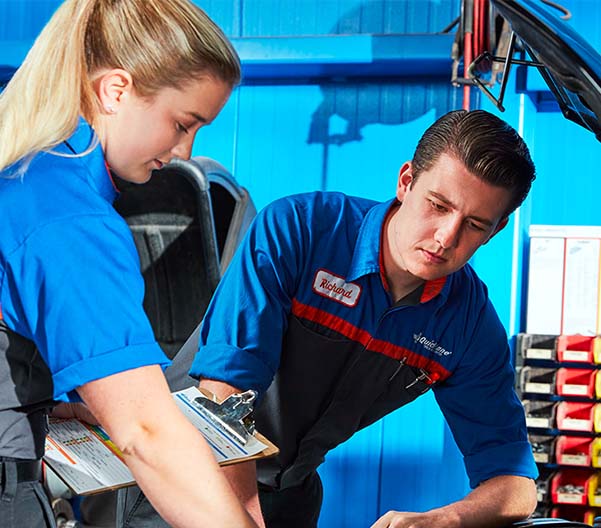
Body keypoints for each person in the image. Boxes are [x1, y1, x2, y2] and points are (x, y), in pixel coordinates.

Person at [118, 109, 539, 528]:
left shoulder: (467, 323)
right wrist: (243, 520)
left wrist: (446, 519)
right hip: (190, 473)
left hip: (290, 493)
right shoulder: (299, 231)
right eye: (438, 205)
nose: (446, 237)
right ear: (406, 181)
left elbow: (517, 485)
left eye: (474, 224)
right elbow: (224, 392)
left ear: (495, 230)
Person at [0, 1, 259, 527]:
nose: (186, 149)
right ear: (115, 90)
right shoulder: (68, 216)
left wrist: (35, 410)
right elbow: (146, 434)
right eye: (183, 123)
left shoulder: (22, 177)